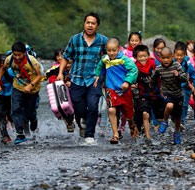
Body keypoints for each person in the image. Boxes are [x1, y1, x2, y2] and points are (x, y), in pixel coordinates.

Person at [58, 12, 108, 145]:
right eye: (88, 22)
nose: (90, 25)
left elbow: (111, 58)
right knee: (78, 106)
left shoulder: (103, 40)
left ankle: (89, 135)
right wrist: (60, 73)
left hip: (95, 79)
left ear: (97, 26)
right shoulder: (75, 39)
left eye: (93, 23)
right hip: (76, 78)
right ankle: (83, 122)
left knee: (93, 106)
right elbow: (65, 57)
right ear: (84, 24)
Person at [94, 37, 138, 144]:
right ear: (106, 49)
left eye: (114, 50)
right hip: (111, 89)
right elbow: (100, 66)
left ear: (119, 49)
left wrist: (127, 82)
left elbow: (134, 70)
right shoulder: (105, 58)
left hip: (124, 90)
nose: (111, 53)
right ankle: (115, 135)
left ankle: (132, 125)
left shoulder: (124, 59)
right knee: (111, 110)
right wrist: (97, 77)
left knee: (128, 115)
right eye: (109, 50)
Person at [0, 41, 43, 145]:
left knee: (29, 113)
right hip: (17, 87)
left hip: (32, 90)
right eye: (15, 55)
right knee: (15, 109)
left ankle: (33, 119)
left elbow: (39, 75)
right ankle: (20, 134)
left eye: (19, 55)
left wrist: (30, 85)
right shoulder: (9, 59)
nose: (17, 57)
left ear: (24, 53)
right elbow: (2, 69)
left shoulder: (32, 61)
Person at [149, 47, 188, 144]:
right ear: (160, 58)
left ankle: (177, 133)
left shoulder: (177, 66)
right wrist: (150, 89)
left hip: (178, 94)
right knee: (169, 105)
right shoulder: (159, 69)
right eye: (163, 58)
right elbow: (153, 79)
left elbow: (185, 79)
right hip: (166, 92)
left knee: (178, 116)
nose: (165, 60)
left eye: (168, 57)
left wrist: (178, 75)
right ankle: (165, 121)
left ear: (172, 57)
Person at [132, 44, 162, 143]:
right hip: (144, 95)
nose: (143, 58)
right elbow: (130, 78)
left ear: (148, 55)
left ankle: (158, 129)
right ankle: (148, 137)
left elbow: (161, 74)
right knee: (145, 113)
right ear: (136, 58)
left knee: (159, 117)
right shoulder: (135, 67)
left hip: (156, 93)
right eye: (140, 57)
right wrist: (132, 84)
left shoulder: (153, 64)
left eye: (145, 56)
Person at [174, 42, 195, 131]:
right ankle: (175, 120)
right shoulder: (171, 63)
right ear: (174, 54)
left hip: (186, 87)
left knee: (184, 105)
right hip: (174, 88)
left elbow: (194, 75)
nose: (179, 57)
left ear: (185, 54)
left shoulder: (187, 64)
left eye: (181, 55)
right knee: (174, 105)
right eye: (177, 55)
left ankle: (182, 122)